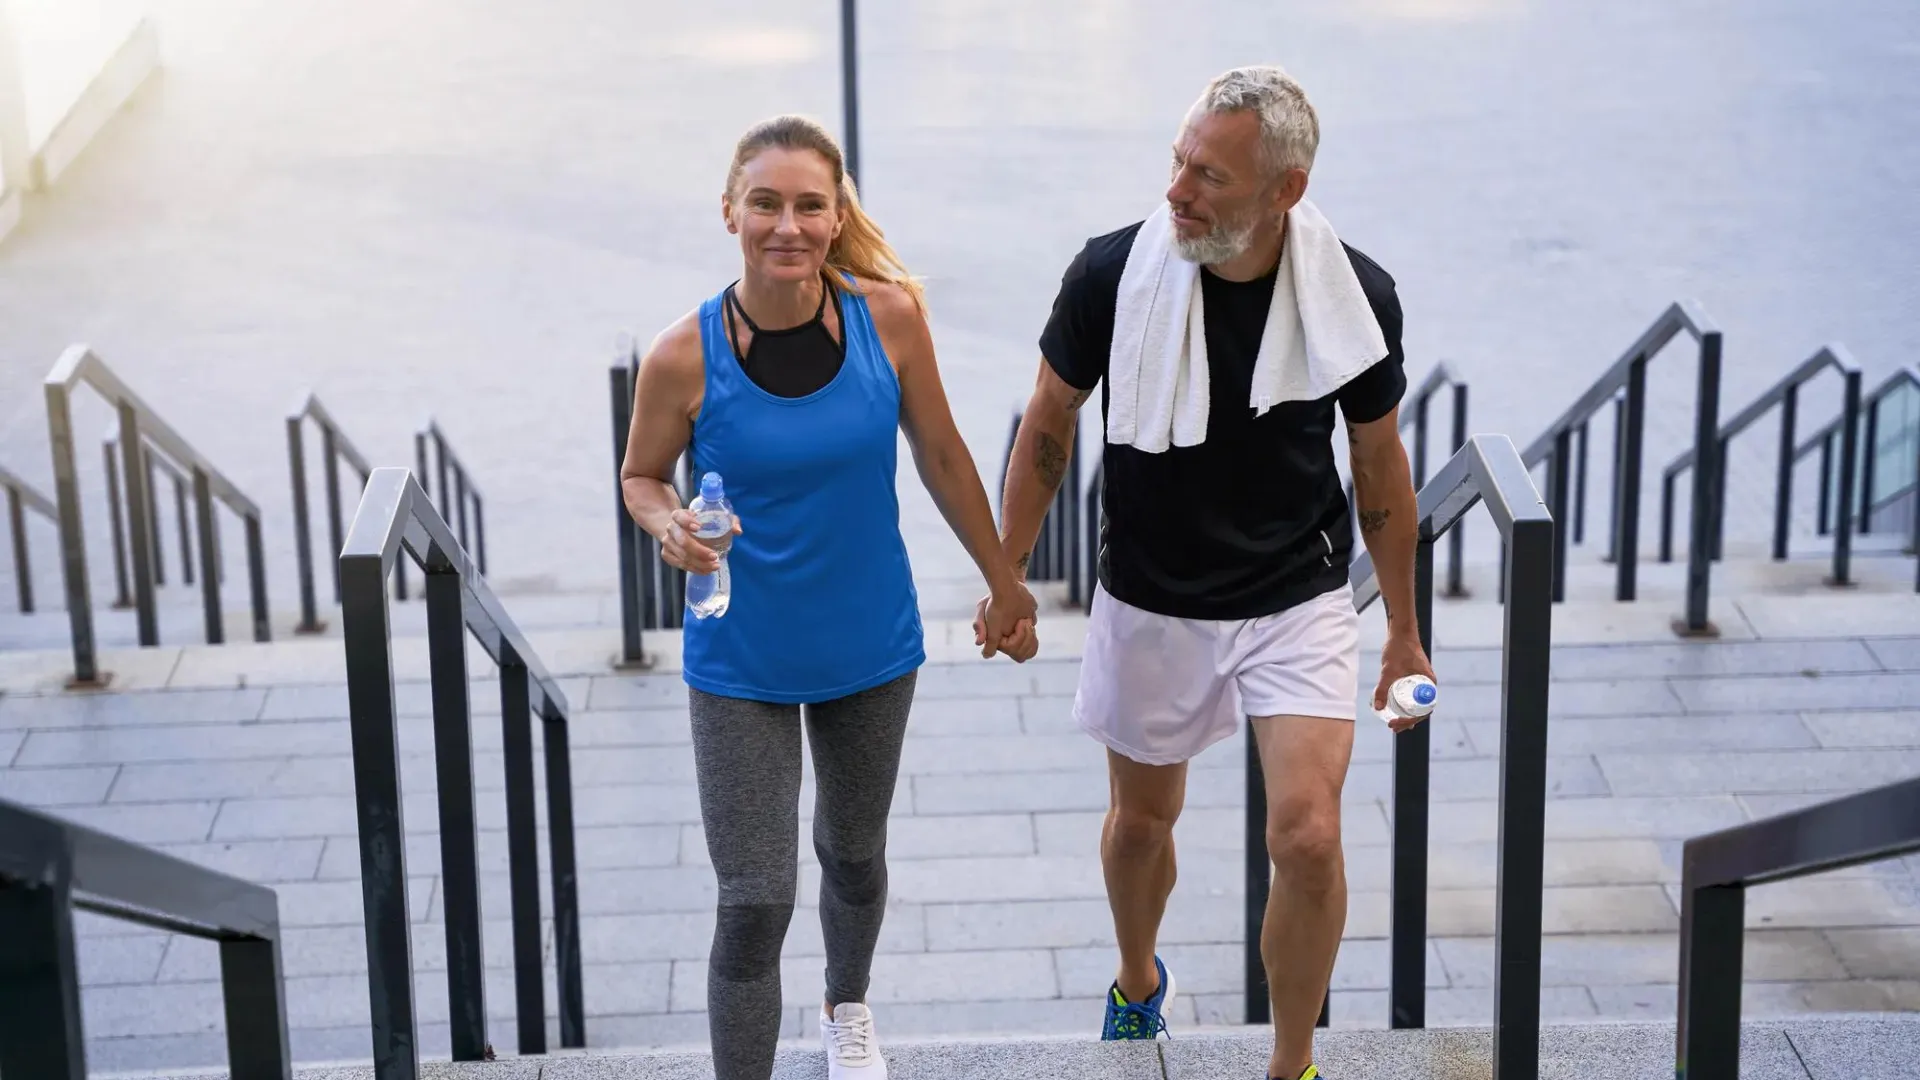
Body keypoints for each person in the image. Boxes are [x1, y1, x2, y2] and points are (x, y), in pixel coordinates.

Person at [990, 66, 1435, 1080]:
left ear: (1286, 190)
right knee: (1141, 828)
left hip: (1298, 591)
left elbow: (1379, 464)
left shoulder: (1354, 297)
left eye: (1209, 177)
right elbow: (1051, 419)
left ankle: (1291, 1063)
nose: (1177, 191)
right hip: (1154, 589)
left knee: (1309, 839)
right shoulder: (1112, 274)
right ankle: (1137, 984)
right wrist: (1009, 572)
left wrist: (1403, 633)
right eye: (1179, 161)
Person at [620, 114, 1038, 1080]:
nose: (788, 225)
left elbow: (942, 455)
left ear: (837, 214)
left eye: (810, 205)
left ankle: (846, 1008)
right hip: (741, 657)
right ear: (729, 212)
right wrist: (667, 522)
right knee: (753, 901)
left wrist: (1003, 582)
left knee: (853, 855)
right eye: (765, 203)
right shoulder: (683, 355)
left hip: (868, 644)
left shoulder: (889, 319)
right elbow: (641, 475)